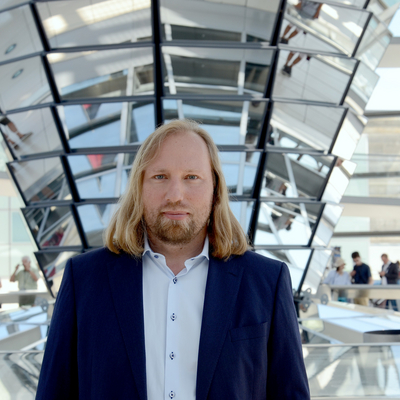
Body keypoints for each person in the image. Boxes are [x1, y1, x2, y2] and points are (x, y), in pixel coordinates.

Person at [36, 120, 310, 399]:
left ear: (215, 188)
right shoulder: (83, 279)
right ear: (139, 187)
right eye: (160, 177)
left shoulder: (267, 281)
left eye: (192, 177)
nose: (176, 196)